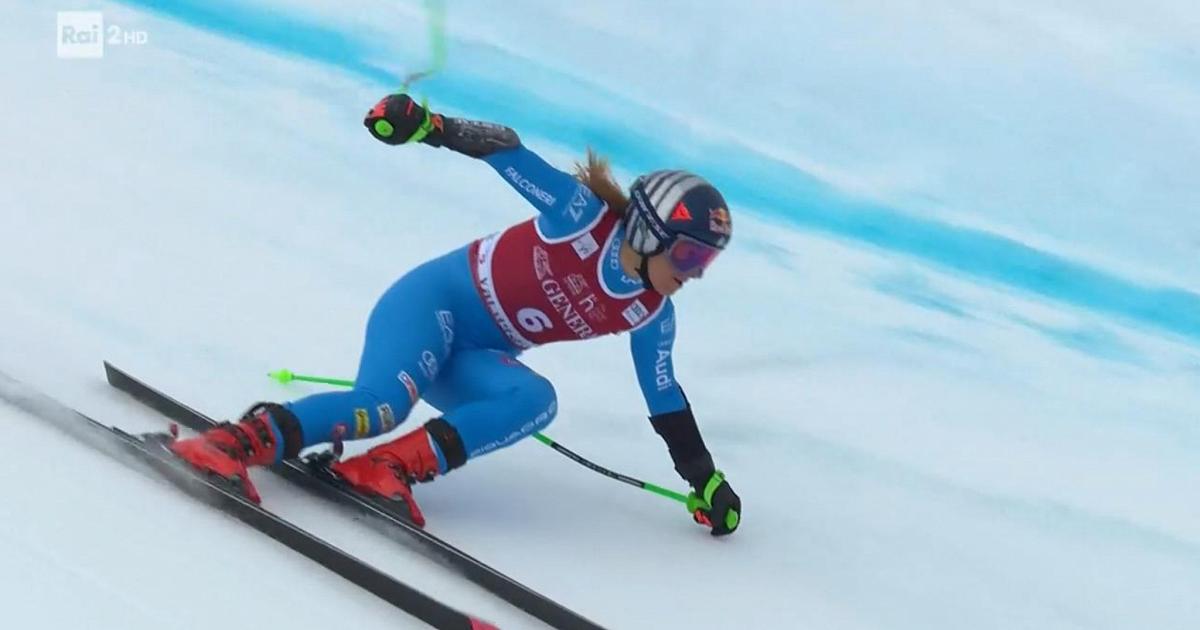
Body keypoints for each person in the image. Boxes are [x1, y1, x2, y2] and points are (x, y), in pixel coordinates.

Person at [170, 93, 741, 536]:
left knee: (536, 400)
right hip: (427, 307)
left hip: (473, 357)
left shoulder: (651, 313)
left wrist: (704, 479)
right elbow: (504, 149)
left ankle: (384, 469)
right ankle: (229, 443)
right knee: (382, 406)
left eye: (707, 262)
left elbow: (665, 399)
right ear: (649, 231)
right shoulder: (580, 216)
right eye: (689, 255)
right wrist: (426, 124)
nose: (694, 273)